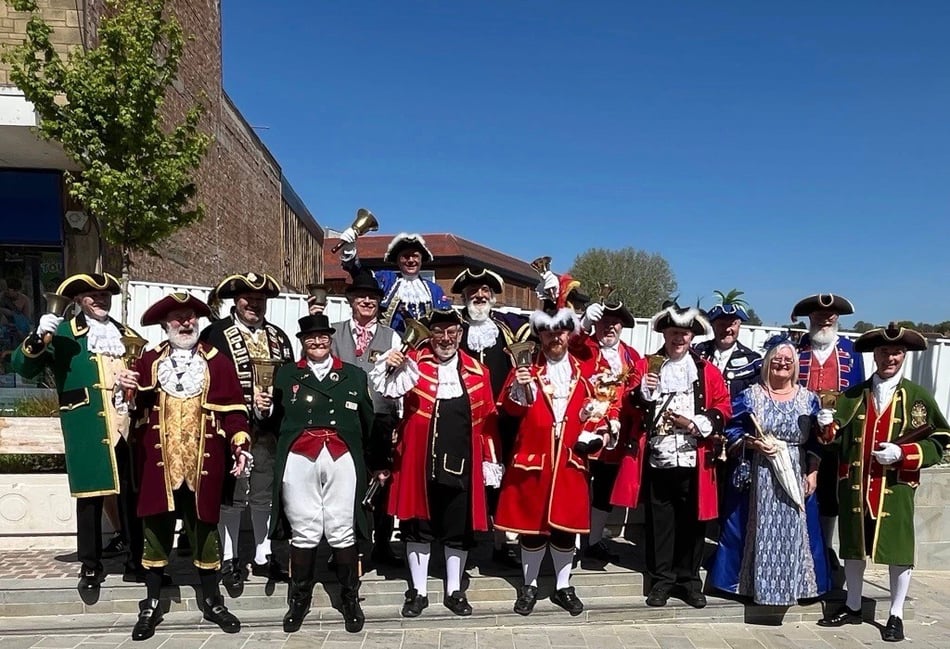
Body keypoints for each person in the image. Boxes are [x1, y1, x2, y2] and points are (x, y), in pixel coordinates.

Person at [116, 292, 249, 640]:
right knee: (155, 536)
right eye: (178, 318)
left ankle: (213, 601)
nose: (185, 323)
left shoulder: (217, 361)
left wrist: (240, 444)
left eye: (190, 316)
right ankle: (150, 605)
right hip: (159, 467)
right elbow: (132, 406)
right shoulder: (147, 360)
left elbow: (234, 410)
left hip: (202, 465)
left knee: (205, 533)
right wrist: (128, 388)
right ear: (165, 325)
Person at [11, 272, 144, 591]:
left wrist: (135, 386)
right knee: (89, 498)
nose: (100, 300)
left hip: (127, 426)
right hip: (87, 425)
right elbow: (24, 368)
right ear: (78, 301)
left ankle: (135, 562)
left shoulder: (127, 335)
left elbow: (142, 375)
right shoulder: (64, 334)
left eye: (104, 295)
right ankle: (90, 565)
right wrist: (38, 335)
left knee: (131, 497)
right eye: (91, 295)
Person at [817, 323, 950, 642]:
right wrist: (826, 428)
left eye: (896, 352)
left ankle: (896, 614)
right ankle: (851, 606)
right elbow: (834, 442)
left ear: (904, 356)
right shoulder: (852, 395)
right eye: (884, 351)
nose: (890, 357)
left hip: (895, 488)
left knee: (898, 550)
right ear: (874, 355)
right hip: (856, 487)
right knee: (853, 548)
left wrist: (904, 453)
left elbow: (941, 439)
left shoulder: (918, 397)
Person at [370, 308, 501, 618]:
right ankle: (417, 591)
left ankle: (454, 590)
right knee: (418, 525)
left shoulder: (479, 372)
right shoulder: (412, 363)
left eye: (452, 332)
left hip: (462, 462)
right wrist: (389, 365)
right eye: (439, 332)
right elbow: (387, 392)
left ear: (460, 334)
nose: (445, 338)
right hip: (417, 459)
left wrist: (489, 460)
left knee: (458, 528)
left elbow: (487, 423)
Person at [494, 300, 610, 617]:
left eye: (560, 332)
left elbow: (599, 412)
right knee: (531, 530)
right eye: (547, 333)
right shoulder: (526, 369)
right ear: (540, 336)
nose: (554, 338)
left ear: (569, 333)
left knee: (564, 530)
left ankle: (562, 587)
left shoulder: (584, 373)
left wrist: (595, 431)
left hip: (570, 462)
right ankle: (529, 585)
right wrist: (519, 389)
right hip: (533, 461)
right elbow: (509, 411)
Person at [612, 301, 731, 609]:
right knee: (659, 524)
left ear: (692, 337)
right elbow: (627, 404)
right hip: (658, 459)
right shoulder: (645, 366)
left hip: (695, 461)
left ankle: (689, 582)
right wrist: (643, 392)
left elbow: (723, 408)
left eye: (685, 334)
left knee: (693, 526)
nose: (679, 339)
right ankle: (661, 581)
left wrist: (696, 424)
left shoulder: (707, 371)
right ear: (664, 333)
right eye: (674, 333)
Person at [265, 313, 375, 633]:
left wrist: (369, 457)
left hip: (341, 456)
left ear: (331, 339)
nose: (317, 342)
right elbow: (272, 420)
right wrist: (260, 409)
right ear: (302, 342)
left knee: (342, 526)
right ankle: (299, 598)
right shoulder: (285, 375)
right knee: (304, 527)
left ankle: (349, 597)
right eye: (310, 338)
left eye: (323, 337)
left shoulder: (353, 375)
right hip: (300, 456)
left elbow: (367, 421)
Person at [708, 337, 830, 605]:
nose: (782, 365)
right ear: (767, 364)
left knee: (799, 530)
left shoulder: (809, 400)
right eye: (777, 361)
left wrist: (813, 471)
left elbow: (815, 441)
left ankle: (800, 586)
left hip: (795, 472)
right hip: (759, 472)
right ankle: (750, 586)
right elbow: (732, 428)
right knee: (754, 527)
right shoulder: (751, 396)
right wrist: (751, 443)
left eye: (788, 361)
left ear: (795, 366)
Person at [200, 273, 294, 589]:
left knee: (265, 492)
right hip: (229, 427)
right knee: (233, 493)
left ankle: (263, 555)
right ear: (235, 300)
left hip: (269, 427)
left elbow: (289, 383)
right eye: (248, 298)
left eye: (260, 300)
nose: (254, 304)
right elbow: (206, 382)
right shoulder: (214, 334)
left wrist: (272, 403)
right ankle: (228, 558)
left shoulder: (279, 337)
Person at [452, 267, 532, 567]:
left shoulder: (507, 329)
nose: (479, 296)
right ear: (464, 297)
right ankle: (462, 541)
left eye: (485, 292)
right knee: (463, 479)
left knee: (500, 482)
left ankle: (501, 542)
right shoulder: (453, 328)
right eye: (473, 292)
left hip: (501, 420)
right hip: (460, 419)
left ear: (493, 296)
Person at [328, 269, 403, 566]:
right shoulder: (333, 333)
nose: (367, 301)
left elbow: (401, 384)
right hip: (345, 421)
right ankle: (343, 547)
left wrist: (398, 420)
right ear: (350, 300)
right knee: (343, 484)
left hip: (382, 418)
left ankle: (382, 544)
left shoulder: (392, 336)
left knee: (382, 481)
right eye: (361, 296)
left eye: (372, 297)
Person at [792, 293, 866, 567]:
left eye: (831, 315)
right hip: (799, 430)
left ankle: (824, 548)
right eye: (819, 315)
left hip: (836, 432)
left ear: (837, 318)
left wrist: (841, 423)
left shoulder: (850, 349)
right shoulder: (797, 348)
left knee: (829, 493)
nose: (825, 319)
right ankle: (797, 543)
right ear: (810, 317)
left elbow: (858, 392)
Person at [573, 300, 642, 563]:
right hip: (582, 430)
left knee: (604, 490)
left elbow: (637, 391)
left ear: (622, 327)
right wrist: (585, 322)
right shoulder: (586, 348)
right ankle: (574, 539)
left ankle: (593, 540)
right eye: (603, 322)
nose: (609, 327)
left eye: (614, 323)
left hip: (616, 435)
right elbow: (569, 344)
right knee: (578, 486)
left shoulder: (631, 356)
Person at [337, 230, 452, 333]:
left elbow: (445, 320)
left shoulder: (434, 290)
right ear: (398, 260)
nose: (411, 260)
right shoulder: (387, 280)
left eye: (415, 256)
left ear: (421, 259)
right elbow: (360, 276)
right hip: (388, 347)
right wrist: (349, 248)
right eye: (406, 256)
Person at [693, 291, 762, 398]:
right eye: (721, 324)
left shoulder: (752, 361)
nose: (727, 329)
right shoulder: (696, 353)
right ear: (712, 325)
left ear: (739, 325)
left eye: (732, 324)